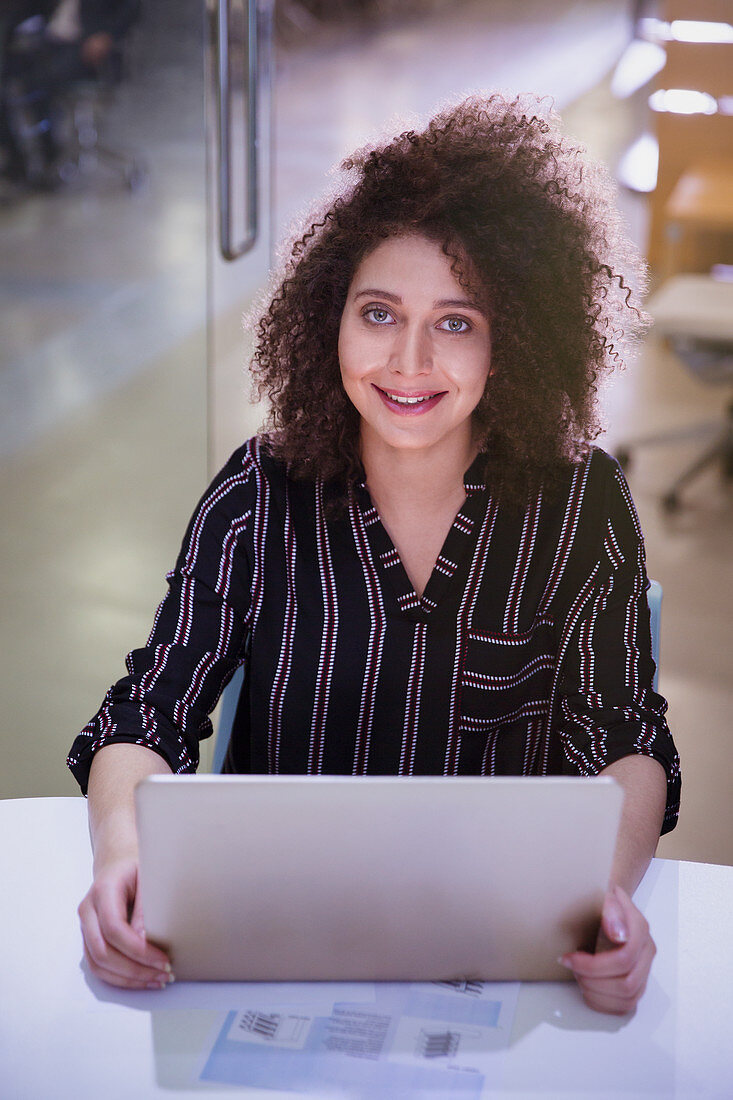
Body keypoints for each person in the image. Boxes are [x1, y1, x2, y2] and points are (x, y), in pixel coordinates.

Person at [68, 94, 681, 1014]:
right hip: (271, 945)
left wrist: (611, 892)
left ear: (512, 341)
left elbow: (627, 741)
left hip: (495, 963)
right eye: (380, 313)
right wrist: (122, 852)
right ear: (331, 322)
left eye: (457, 323)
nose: (408, 362)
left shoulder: (579, 499)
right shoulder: (260, 493)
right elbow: (147, 711)